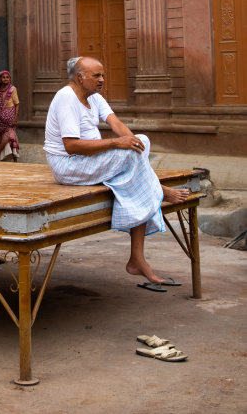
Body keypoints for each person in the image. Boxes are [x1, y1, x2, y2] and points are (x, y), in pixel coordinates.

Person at [44, 56, 189, 286]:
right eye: (96, 76)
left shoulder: (95, 98)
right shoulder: (66, 97)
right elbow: (71, 146)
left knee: (141, 141)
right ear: (80, 78)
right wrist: (116, 144)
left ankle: (137, 259)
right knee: (132, 160)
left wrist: (131, 142)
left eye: (103, 75)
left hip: (92, 160)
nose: (102, 80)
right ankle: (159, 192)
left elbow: (117, 125)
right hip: (68, 166)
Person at [0, 70, 20, 162]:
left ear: (9, 79)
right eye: (3, 77)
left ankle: (15, 157)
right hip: (0, 119)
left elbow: (17, 104)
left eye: (7, 77)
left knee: (11, 135)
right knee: (2, 136)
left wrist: (15, 118)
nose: (5, 79)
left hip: (10, 117)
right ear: (0, 79)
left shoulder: (12, 89)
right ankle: (3, 157)